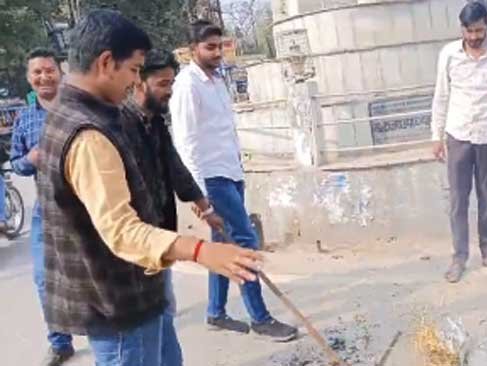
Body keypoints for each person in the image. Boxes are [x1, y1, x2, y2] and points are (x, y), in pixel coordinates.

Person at [37, 10, 263, 365]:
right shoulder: (88, 133)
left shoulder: (81, 115)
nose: (134, 82)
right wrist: (201, 251)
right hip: (120, 302)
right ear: (106, 62)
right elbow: (121, 230)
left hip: (139, 291)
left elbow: (171, 165)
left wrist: (201, 205)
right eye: (132, 70)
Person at [170, 20, 298, 341]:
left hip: (231, 172)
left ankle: (215, 312)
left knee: (222, 244)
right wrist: (198, 196)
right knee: (243, 242)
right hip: (211, 179)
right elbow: (185, 144)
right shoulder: (188, 85)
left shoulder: (217, 80)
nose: (216, 53)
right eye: (209, 47)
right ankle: (261, 317)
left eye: (219, 46)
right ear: (191, 51)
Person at [120, 48, 227, 365]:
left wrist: (205, 208)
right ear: (139, 82)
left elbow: (175, 167)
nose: (170, 91)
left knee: (164, 312)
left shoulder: (154, 121)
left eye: (172, 83)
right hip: (135, 242)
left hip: (160, 236)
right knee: (143, 328)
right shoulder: (120, 126)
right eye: (163, 84)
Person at [431, 1, 487, 283]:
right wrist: (436, 136)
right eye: (469, 31)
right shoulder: (448, 54)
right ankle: (459, 257)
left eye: (479, 30)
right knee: (458, 200)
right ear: (462, 29)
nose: (473, 37)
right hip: (458, 135)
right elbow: (441, 96)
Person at [10, 48, 74, 366]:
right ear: (29, 78)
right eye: (37, 72)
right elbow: (16, 163)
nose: (43, 77)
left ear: (59, 73)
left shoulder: (77, 108)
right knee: (44, 278)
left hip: (85, 209)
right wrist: (28, 159)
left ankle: (114, 328)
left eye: (49, 70)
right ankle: (60, 342)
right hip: (45, 210)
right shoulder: (24, 118)